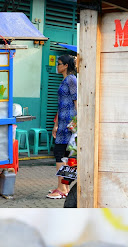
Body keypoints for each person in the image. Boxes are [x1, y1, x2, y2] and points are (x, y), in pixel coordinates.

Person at [48, 54, 77, 199]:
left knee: (61, 154)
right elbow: (60, 105)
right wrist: (56, 124)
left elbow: (77, 100)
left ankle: (62, 188)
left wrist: (77, 121)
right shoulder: (64, 80)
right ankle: (64, 187)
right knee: (62, 155)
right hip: (62, 123)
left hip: (69, 124)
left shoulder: (71, 80)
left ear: (66, 65)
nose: (57, 66)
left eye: (59, 63)